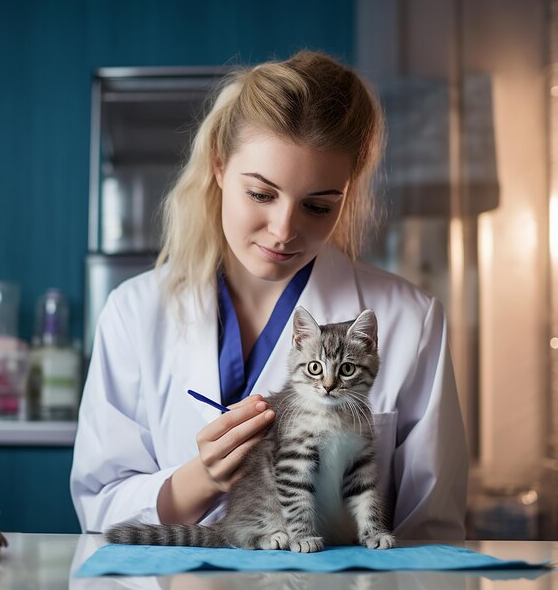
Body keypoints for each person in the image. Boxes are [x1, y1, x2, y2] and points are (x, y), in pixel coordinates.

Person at [70, 50, 468, 541]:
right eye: (261, 194)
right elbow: (100, 509)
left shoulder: (410, 320)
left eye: (318, 207)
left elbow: (433, 535)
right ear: (218, 164)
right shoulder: (134, 312)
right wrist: (200, 479)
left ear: (347, 194)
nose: (283, 231)